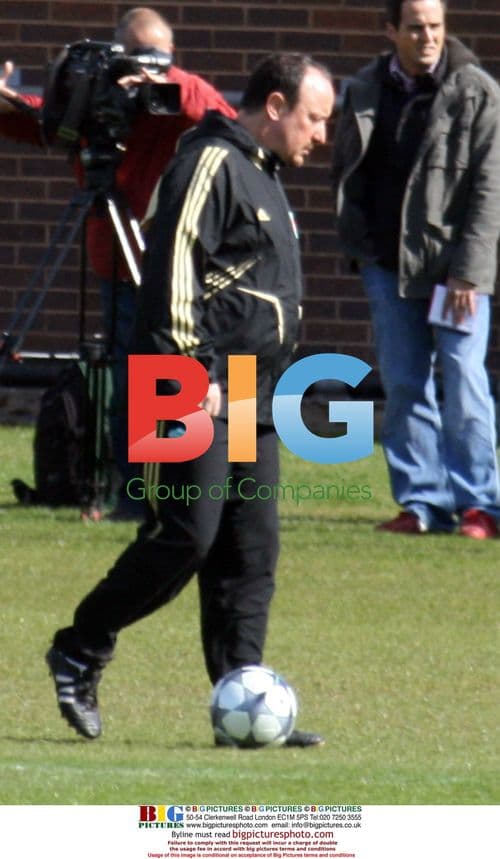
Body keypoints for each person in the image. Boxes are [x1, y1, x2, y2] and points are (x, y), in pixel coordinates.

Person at [45, 52, 335, 747]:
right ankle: (80, 646)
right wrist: (192, 370)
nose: (319, 135)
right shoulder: (209, 161)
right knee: (185, 536)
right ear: (274, 105)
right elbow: (172, 264)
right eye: (313, 118)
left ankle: (244, 699)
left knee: (250, 549)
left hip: (248, 392)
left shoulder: (263, 175)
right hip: (187, 380)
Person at [0, 7, 236, 519]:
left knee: (179, 379)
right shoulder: (98, 104)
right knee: (130, 379)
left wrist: (164, 80)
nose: (144, 69)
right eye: (137, 57)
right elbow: (42, 122)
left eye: (159, 57)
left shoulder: (181, 101)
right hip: (117, 263)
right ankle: (131, 494)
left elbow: (223, 116)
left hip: (175, 266)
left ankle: (191, 491)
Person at [331, 0, 500, 538]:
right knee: (404, 384)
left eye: (436, 27)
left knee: (465, 381)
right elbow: (348, 174)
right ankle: (423, 503)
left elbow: (489, 191)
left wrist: (470, 272)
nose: (428, 37)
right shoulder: (363, 89)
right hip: (386, 264)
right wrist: (358, 248)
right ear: (391, 32)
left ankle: (481, 507)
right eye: (416, 28)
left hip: (455, 271)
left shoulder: (477, 91)